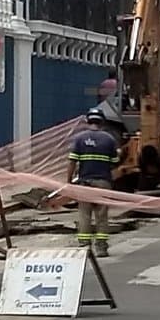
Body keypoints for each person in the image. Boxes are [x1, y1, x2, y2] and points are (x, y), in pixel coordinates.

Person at [67, 107, 120, 256]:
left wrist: (69, 181)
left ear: (88, 121)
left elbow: (72, 162)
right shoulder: (109, 139)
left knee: (84, 215)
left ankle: (84, 246)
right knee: (101, 216)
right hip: (103, 183)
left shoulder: (80, 139)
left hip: (84, 183)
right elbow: (115, 161)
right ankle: (101, 248)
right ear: (102, 121)